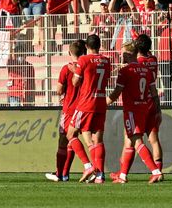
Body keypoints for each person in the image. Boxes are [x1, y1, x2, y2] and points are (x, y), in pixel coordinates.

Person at [106, 42, 164, 184]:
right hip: (144, 108)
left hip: (132, 110)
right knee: (129, 141)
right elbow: (154, 92)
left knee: (136, 141)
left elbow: (116, 93)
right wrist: (157, 109)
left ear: (129, 54)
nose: (121, 55)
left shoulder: (125, 71)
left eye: (123, 53)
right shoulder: (146, 70)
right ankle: (123, 176)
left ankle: (155, 171)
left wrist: (103, 104)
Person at [66, 34, 111, 184]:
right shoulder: (106, 61)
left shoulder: (83, 60)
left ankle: (87, 166)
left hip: (86, 103)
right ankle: (100, 175)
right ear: (100, 45)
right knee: (98, 139)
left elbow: (76, 82)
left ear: (86, 46)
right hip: (101, 102)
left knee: (71, 133)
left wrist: (74, 71)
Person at [45, 40, 84, 182]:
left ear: (69, 53)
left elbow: (59, 90)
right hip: (84, 108)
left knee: (64, 141)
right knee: (74, 140)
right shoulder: (87, 67)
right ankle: (66, 173)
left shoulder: (66, 69)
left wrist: (63, 94)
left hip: (69, 109)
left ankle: (60, 173)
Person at [134, 34, 164, 176]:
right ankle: (159, 169)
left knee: (133, 139)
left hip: (140, 102)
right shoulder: (154, 60)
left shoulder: (137, 62)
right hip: (153, 100)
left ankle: (123, 172)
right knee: (154, 139)